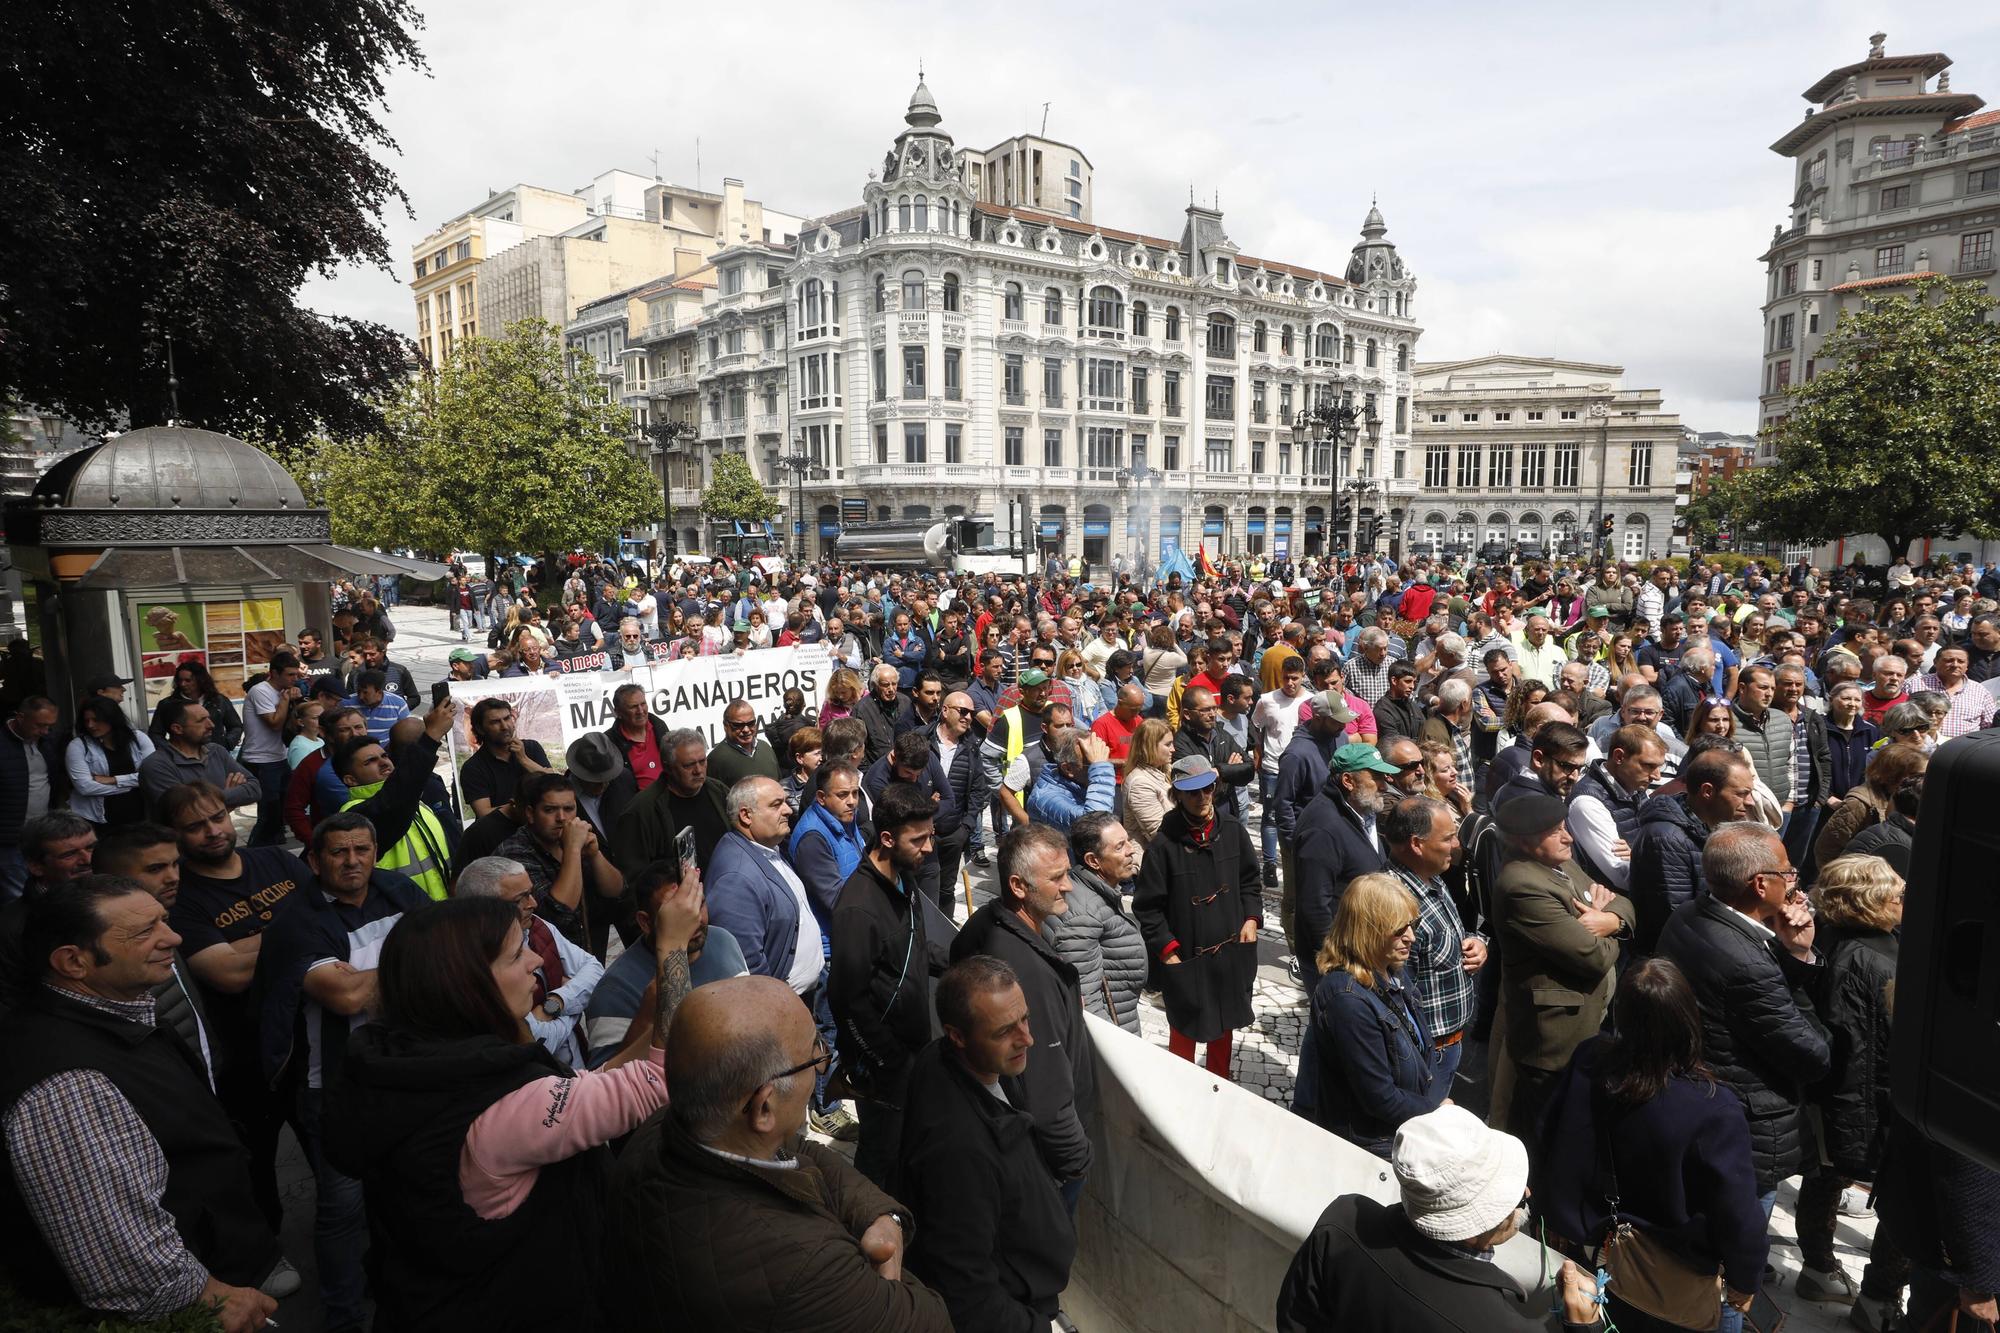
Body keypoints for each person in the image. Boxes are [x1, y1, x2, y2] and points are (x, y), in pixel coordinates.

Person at [325, 887, 694, 1331]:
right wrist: (671, 948)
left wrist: (651, 1019)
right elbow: (661, 1080)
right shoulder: (500, 1106)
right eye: (517, 954)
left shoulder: (420, 1063)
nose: (536, 962)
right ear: (467, 983)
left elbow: (585, 1087)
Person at [0, 876, 283, 1332]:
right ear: (73, 961)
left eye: (164, 921)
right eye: (144, 932)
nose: (173, 938)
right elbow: (119, 1255)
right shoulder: (67, 1084)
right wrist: (211, 1299)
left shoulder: (115, 1012)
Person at [605, 974, 951, 1331]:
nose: (821, 1063)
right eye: (813, 1053)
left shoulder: (667, 1126)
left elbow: (798, 1148)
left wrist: (883, 1217)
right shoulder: (807, 1269)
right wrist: (882, 1277)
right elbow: (933, 1321)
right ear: (764, 1108)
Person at [254, 811, 431, 1332]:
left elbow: (448, 950)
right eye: (338, 852)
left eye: (362, 850)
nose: (352, 861)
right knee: (341, 1208)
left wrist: (389, 971)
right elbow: (347, 996)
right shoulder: (296, 922)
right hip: (333, 1086)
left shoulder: (397, 889)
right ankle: (342, 1315)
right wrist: (412, 965)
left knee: (400, 1191)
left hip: (403, 1070)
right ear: (313, 859)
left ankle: (393, 1289)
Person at [1535, 959, 1768, 1333]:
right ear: (1689, 1021)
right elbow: (1737, 1212)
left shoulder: (1590, 1058)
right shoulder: (1712, 1108)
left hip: (1581, 1253)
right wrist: (1745, 1278)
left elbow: (1548, 1135)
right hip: (1663, 1281)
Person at [1278, 1105, 1604, 1333]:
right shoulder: (1501, 1326)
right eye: (1514, 1197)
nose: (1527, 1195)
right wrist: (1584, 1327)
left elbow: (1295, 1320)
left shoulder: (1342, 1224)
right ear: (1476, 1225)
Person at [1658, 822, 1830, 1229]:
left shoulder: (1687, 913)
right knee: (1736, 1246)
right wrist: (1798, 961)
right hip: (1744, 1128)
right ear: (1759, 885)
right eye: (1788, 873)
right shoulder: (1748, 963)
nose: (1794, 882)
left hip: (1693, 1101)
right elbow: (1813, 1053)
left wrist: (1792, 951)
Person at [897, 957, 1077, 1333]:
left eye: (1025, 1019)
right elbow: (965, 1291)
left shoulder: (972, 1063)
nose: (1027, 1038)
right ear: (957, 1035)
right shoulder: (959, 1151)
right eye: (1004, 1031)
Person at [159, 780, 308, 1229]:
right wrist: (298, 931)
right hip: (248, 1055)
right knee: (255, 1162)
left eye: (218, 817)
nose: (213, 831)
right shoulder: (179, 898)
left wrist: (246, 944)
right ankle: (267, 1251)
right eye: (195, 826)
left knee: (330, 1144)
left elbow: (332, 919)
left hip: (310, 1035)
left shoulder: (276, 860)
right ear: (175, 836)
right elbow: (228, 974)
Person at [951, 824, 1095, 1208]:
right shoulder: (1025, 973)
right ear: (1018, 886)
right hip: (1045, 1161)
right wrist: (1076, 1161)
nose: (1069, 887)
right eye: (1058, 878)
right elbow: (1045, 1092)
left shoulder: (989, 921)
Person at [1486, 793, 1634, 1146]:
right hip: (1553, 1042)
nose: (1568, 837)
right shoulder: (1522, 885)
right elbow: (1593, 957)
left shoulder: (1558, 863)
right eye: (1555, 831)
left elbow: (1623, 901)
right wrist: (1609, 928)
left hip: (1586, 1020)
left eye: (1564, 826)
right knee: (1546, 1135)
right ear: (1524, 841)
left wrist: (1608, 919)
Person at [1795, 854, 1907, 1318]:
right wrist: (1855, 1136)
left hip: (1852, 1100)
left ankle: (1820, 1270)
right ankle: (1878, 1299)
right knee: (1903, 1202)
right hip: (1867, 1103)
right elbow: (1856, 1050)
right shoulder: (1866, 959)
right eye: (1898, 893)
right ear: (1871, 900)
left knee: (1824, 1179)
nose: (1905, 899)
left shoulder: (1847, 941)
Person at [828, 782, 948, 1187]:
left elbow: (915, 946)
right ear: (886, 838)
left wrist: (962, 960)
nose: (928, 848)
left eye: (930, 835)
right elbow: (846, 1000)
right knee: (881, 1159)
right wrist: (889, 1058)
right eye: (918, 840)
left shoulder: (903, 878)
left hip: (912, 1052)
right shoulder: (858, 908)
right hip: (883, 1069)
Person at [1295, 871, 1448, 1153]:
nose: (1411, 937)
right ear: (1369, 930)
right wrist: (1436, 1112)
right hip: (1372, 1146)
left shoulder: (1389, 971)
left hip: (1403, 1130)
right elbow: (1379, 1097)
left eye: (1413, 925)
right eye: (1399, 930)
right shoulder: (1347, 999)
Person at [1133, 755, 1262, 1079]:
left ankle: (1221, 1086)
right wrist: (1169, 951)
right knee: (1184, 1032)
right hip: (1187, 958)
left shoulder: (1233, 830)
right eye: (1192, 792)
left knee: (1225, 1026)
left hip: (1231, 955)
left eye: (1207, 789)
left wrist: (1251, 919)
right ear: (1177, 795)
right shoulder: (1163, 846)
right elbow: (1147, 907)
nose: (1201, 797)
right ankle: (1183, 1092)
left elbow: (1249, 881)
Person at [579, 857, 749, 1066]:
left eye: (699, 903)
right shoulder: (614, 992)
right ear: (645, 921)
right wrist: (648, 1019)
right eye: (676, 912)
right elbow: (606, 1087)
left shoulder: (724, 940)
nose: (695, 919)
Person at [1379, 796, 1485, 1089]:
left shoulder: (1432, 878)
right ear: (1417, 844)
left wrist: (1475, 941)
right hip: (1425, 1054)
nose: (1455, 845)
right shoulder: (1396, 904)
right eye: (1449, 837)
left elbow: (1446, 939)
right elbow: (1396, 996)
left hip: (1447, 1044)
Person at [1626, 746, 1758, 953]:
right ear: (1707, 791)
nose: (1750, 802)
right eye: (1741, 794)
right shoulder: (1666, 839)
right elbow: (1676, 918)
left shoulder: (1715, 826)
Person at [1291, 743, 1400, 989]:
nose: (1384, 784)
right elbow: (1315, 906)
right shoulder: (1322, 828)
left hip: (1364, 950)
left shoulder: (1362, 810)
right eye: (1376, 777)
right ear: (1348, 781)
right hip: (1342, 963)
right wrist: (1341, 965)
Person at [704, 776, 824, 997]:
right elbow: (746, 968)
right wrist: (776, 1007)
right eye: (776, 805)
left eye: (786, 802)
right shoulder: (736, 878)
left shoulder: (766, 846)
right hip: (782, 1007)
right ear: (746, 815)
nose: (788, 810)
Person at [332, 703, 457, 902]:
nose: (383, 763)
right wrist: (430, 736)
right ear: (351, 780)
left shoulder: (417, 801)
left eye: (384, 756)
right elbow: (393, 801)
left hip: (441, 910)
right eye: (369, 761)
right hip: (402, 919)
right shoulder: (355, 818)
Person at [497, 770, 626, 952]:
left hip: (585, 953)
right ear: (530, 813)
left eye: (568, 809)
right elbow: (560, 914)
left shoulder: (576, 839)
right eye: (550, 810)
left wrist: (595, 855)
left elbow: (616, 891)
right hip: (543, 961)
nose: (561, 818)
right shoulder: (515, 853)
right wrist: (573, 850)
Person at [1044, 810, 1146, 1035]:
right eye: (1119, 847)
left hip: (1123, 1020)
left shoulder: (1100, 893)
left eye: (1128, 841)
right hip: (1111, 1040)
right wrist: (1115, 1055)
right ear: (1093, 860)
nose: (1131, 850)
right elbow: (1086, 1005)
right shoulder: (1082, 916)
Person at [612, 726, 730, 879]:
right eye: (688, 765)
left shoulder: (718, 791)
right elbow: (634, 876)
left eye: (702, 761)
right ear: (668, 767)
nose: (698, 770)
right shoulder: (642, 811)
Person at [1566, 725, 1667, 892]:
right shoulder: (1587, 803)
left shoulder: (1636, 788)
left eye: (1659, 767)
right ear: (1619, 757)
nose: (1657, 776)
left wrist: (1637, 853)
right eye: (1648, 766)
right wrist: (1647, 856)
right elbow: (1623, 876)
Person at [138, 698, 261, 818]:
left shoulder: (216, 751)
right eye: (201, 721)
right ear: (177, 729)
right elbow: (184, 813)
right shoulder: (156, 765)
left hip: (222, 836)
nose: (211, 725)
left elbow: (254, 789)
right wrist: (228, 797)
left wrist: (217, 800)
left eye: (209, 718)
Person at [1813, 740, 1926, 869]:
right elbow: (1826, 849)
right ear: (1893, 776)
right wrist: (1840, 881)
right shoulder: (1859, 804)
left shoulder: (1912, 799)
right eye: (1917, 775)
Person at [0, 697, 68, 901]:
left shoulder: (48, 741)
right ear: (20, 717)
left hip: (42, 830)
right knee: (18, 893)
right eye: (40, 725)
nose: (45, 731)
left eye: (50, 726)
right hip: (9, 835)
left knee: (46, 886)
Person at [64, 694, 155, 827]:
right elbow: (85, 787)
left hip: (138, 814)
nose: (90, 725)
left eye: (96, 720)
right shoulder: (78, 745)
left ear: (111, 718)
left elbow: (152, 774)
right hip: (96, 818)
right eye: (86, 720)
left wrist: (114, 780)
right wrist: (131, 786)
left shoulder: (138, 738)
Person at [458, 698, 552, 817]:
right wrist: (522, 806)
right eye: (495, 722)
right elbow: (483, 813)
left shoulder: (532, 747)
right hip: (501, 833)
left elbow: (555, 785)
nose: (505, 726)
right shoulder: (473, 768)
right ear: (480, 729)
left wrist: (524, 759)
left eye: (507, 718)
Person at [147, 660, 244, 753]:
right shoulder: (167, 704)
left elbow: (236, 726)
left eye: (188, 680)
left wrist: (226, 744)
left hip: (214, 754)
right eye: (180, 680)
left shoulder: (219, 701)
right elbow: (155, 733)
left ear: (200, 680)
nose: (183, 684)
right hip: (181, 759)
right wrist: (171, 751)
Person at [1119, 716, 1176, 846]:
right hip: (1150, 859)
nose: (1173, 749)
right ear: (1149, 746)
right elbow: (1159, 833)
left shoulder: (1166, 770)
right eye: (1167, 744)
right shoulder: (1139, 783)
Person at [708, 698, 783, 787]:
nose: (746, 730)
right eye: (738, 725)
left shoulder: (765, 747)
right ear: (725, 726)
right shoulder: (716, 760)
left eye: (751, 723)